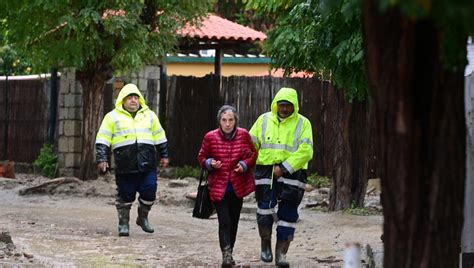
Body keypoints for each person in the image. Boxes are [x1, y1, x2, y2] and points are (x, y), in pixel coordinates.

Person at [249, 87, 313, 267]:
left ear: (295, 106)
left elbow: (306, 151)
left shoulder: (303, 123)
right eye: (281, 105)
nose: (284, 109)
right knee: (264, 209)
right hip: (265, 171)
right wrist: (244, 162)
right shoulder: (263, 120)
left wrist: (284, 168)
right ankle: (265, 244)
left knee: (288, 214)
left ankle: (281, 253)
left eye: (288, 106)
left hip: (293, 173)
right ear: (276, 104)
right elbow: (250, 144)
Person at [95, 83, 169, 237]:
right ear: (122, 100)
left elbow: (160, 136)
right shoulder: (112, 117)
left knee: (149, 191)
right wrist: (102, 158)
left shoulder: (150, 115)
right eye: (130, 98)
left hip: (148, 164)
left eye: (136, 97)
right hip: (125, 165)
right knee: (125, 194)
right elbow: (102, 139)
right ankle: (123, 223)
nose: (134, 101)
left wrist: (164, 155)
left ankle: (143, 218)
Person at [198, 105, 257, 266]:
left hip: (237, 187)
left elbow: (253, 154)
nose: (228, 124)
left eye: (231, 120)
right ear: (219, 121)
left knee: (234, 221)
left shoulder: (244, 135)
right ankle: (226, 255)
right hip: (218, 187)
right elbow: (202, 157)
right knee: (224, 221)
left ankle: (229, 252)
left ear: (235, 121)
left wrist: (244, 165)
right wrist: (210, 163)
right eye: (224, 120)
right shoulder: (210, 137)